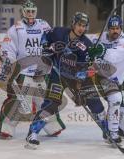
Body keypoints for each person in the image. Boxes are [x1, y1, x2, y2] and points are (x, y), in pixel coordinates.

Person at [25, 12, 112, 147]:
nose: (81, 28)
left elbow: (84, 69)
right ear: (73, 23)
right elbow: (44, 40)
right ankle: (33, 132)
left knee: (94, 100)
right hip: (58, 74)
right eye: (79, 25)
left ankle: (107, 131)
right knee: (52, 103)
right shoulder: (58, 32)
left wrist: (79, 88)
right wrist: (49, 48)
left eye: (84, 26)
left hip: (74, 76)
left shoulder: (86, 44)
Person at [0, 0, 65, 138]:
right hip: (24, 71)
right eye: (28, 11)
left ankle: (52, 126)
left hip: (41, 71)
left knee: (45, 101)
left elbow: (52, 40)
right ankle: (5, 126)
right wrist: (8, 58)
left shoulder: (43, 25)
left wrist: (55, 47)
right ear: (23, 12)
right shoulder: (16, 28)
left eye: (33, 11)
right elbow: (8, 47)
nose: (30, 14)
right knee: (21, 102)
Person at [97, 15, 124, 142]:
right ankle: (112, 132)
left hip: (122, 77)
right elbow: (91, 50)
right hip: (105, 77)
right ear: (107, 29)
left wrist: (101, 51)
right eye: (112, 28)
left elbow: (114, 57)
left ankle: (123, 129)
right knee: (115, 101)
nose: (115, 31)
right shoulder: (99, 38)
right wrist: (92, 52)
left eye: (117, 28)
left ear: (121, 28)